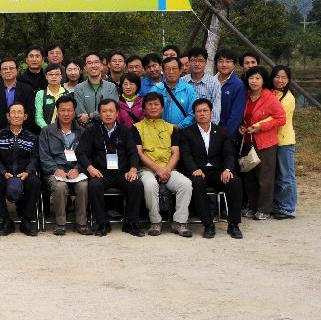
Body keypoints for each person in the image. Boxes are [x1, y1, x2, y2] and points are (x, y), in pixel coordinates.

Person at [77, 99, 145, 237]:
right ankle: (102, 223)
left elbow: (133, 152)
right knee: (94, 186)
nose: (108, 114)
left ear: (117, 113)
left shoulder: (126, 131)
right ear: (99, 114)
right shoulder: (92, 130)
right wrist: (90, 168)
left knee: (136, 184)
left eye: (111, 111)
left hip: (122, 173)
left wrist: (132, 169)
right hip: (101, 173)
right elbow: (81, 152)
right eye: (104, 111)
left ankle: (131, 223)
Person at [179, 98, 244, 239]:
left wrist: (227, 169)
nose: (202, 114)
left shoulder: (222, 131)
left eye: (205, 110)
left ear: (211, 113)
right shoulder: (186, 133)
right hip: (198, 171)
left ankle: (233, 224)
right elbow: (186, 155)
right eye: (198, 111)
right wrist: (194, 169)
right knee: (196, 182)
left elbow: (229, 153)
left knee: (235, 181)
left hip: (217, 172)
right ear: (194, 114)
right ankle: (208, 225)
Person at [133, 93, 194, 238]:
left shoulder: (171, 128)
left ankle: (179, 222)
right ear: (144, 108)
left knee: (185, 184)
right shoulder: (136, 128)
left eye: (156, 104)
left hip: (168, 168)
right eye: (150, 104)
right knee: (149, 185)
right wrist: (158, 169)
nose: (153, 107)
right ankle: (155, 221)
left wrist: (166, 170)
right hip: (147, 169)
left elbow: (176, 152)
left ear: (162, 108)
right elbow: (139, 153)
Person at [38, 95, 92, 236]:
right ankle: (60, 223)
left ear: (74, 112)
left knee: (83, 186)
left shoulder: (82, 132)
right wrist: (55, 169)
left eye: (69, 110)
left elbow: (87, 155)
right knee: (60, 186)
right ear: (57, 112)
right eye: (62, 110)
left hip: (76, 171)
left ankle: (81, 223)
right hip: (55, 171)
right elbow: (44, 156)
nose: (66, 114)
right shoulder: (47, 131)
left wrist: (78, 169)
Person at [241, 66, 286, 220]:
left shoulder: (269, 97)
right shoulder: (245, 95)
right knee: (249, 176)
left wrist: (261, 127)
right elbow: (245, 117)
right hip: (247, 141)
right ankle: (251, 206)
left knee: (264, 177)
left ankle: (264, 209)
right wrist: (242, 126)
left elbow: (281, 118)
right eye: (251, 78)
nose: (253, 81)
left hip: (265, 143)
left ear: (263, 80)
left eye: (257, 78)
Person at [0, 103, 40, 236]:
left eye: (20, 112)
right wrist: (2, 172)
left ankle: (27, 220)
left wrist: (28, 172)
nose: (16, 115)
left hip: (24, 174)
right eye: (13, 112)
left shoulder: (31, 137)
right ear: (8, 116)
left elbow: (35, 158)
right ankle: (6, 220)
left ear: (25, 116)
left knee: (34, 182)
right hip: (4, 173)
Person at [271, 65, 297, 219]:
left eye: (284, 77)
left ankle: (288, 208)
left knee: (286, 176)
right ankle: (277, 205)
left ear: (288, 80)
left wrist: (256, 123)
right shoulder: (272, 93)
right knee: (276, 176)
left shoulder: (288, 98)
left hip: (284, 142)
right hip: (272, 141)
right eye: (277, 77)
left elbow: (276, 117)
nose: (280, 80)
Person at [0, 58, 36, 134]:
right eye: (4, 69)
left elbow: (30, 113)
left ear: (17, 70)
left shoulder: (27, 89)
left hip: (23, 133)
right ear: (0, 72)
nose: (8, 71)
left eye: (11, 68)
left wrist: (22, 132)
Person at [74, 51, 119, 128]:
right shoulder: (79, 88)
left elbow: (112, 110)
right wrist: (100, 114)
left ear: (101, 66)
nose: (93, 65)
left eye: (96, 62)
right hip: (85, 131)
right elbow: (81, 115)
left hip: (107, 129)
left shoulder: (111, 87)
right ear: (85, 67)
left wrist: (90, 116)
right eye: (89, 63)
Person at [150, 57, 196, 129]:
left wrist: (179, 126)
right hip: (159, 132)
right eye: (168, 69)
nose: (171, 72)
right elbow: (149, 111)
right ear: (163, 71)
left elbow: (193, 112)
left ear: (180, 70)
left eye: (174, 68)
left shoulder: (188, 89)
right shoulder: (155, 89)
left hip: (183, 132)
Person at [182, 47, 222, 125]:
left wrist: (210, 129)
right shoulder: (182, 82)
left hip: (206, 128)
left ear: (206, 62)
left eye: (201, 61)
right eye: (193, 60)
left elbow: (216, 109)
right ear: (189, 62)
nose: (197, 64)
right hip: (184, 128)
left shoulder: (214, 83)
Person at [215, 48, 247, 140]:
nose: (224, 64)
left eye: (228, 61)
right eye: (220, 61)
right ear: (216, 63)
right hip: (209, 132)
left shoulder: (238, 85)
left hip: (227, 136)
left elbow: (236, 115)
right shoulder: (211, 81)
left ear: (234, 65)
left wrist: (225, 134)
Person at [34, 63, 72, 129]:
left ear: (61, 76)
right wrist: (48, 129)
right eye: (50, 74)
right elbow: (38, 117)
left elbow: (70, 115)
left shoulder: (68, 94)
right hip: (46, 131)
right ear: (46, 76)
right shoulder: (40, 94)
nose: (54, 76)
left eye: (57, 74)